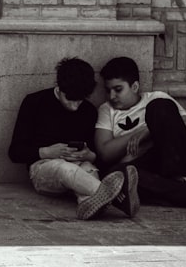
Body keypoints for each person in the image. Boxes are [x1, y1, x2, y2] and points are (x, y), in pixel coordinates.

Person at [9, 57, 140, 220]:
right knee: (66, 169)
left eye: (80, 100)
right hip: (44, 168)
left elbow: (97, 156)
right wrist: (47, 152)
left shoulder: (89, 111)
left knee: (88, 169)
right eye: (70, 100)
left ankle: (88, 204)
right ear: (59, 88)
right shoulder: (34, 102)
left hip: (81, 165)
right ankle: (121, 200)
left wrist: (89, 155)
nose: (75, 106)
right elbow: (15, 152)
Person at [94, 56, 186, 212]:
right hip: (141, 169)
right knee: (116, 175)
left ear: (134, 86)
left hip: (175, 160)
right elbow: (105, 153)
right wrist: (136, 134)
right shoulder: (107, 110)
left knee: (159, 107)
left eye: (118, 89)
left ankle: (175, 184)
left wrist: (148, 131)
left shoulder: (157, 98)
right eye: (108, 90)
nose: (112, 96)